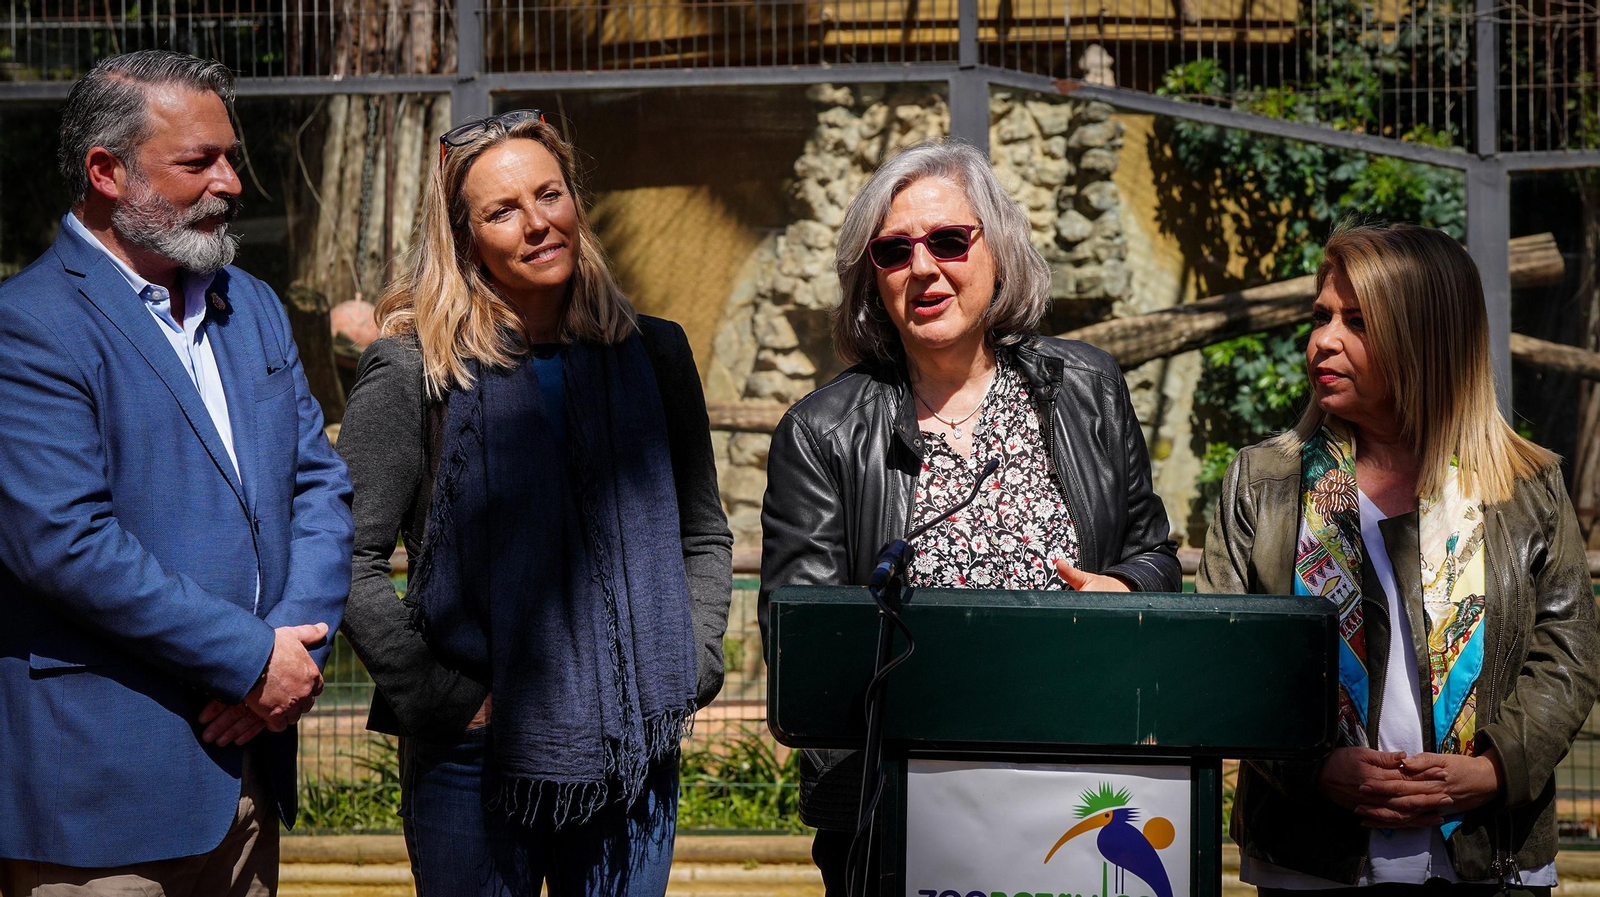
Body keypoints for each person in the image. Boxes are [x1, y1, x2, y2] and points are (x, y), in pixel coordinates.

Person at [758, 139, 1182, 895]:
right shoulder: (821, 432)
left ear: (999, 250)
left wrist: (1126, 590)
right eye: (893, 251)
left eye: (949, 240)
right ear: (873, 278)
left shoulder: (1088, 387)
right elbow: (805, 643)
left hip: (1078, 788)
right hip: (912, 815)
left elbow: (1155, 556)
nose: (923, 267)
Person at [336, 111, 732, 897]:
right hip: (469, 756)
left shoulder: (654, 353)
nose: (536, 223)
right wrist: (441, 696)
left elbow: (703, 533)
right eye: (501, 211)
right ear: (464, 236)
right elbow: (342, 553)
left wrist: (690, 664)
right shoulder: (414, 368)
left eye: (548, 194)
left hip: (633, 744)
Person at [0, 50, 354, 895]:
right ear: (106, 171)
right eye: (198, 161)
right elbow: (63, 543)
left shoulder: (254, 306)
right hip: (101, 802)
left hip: (248, 781)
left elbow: (320, 488)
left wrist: (288, 656)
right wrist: (245, 658)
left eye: (231, 156)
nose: (230, 182)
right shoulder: (30, 328)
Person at [1197, 223, 1600, 894]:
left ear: (1426, 338)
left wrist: (1497, 768)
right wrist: (1309, 762)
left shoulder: (1527, 486)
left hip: (1489, 859)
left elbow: (1570, 652)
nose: (1324, 339)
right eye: (1322, 316)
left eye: (1358, 322)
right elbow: (1223, 656)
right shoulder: (1264, 482)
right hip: (1311, 861)